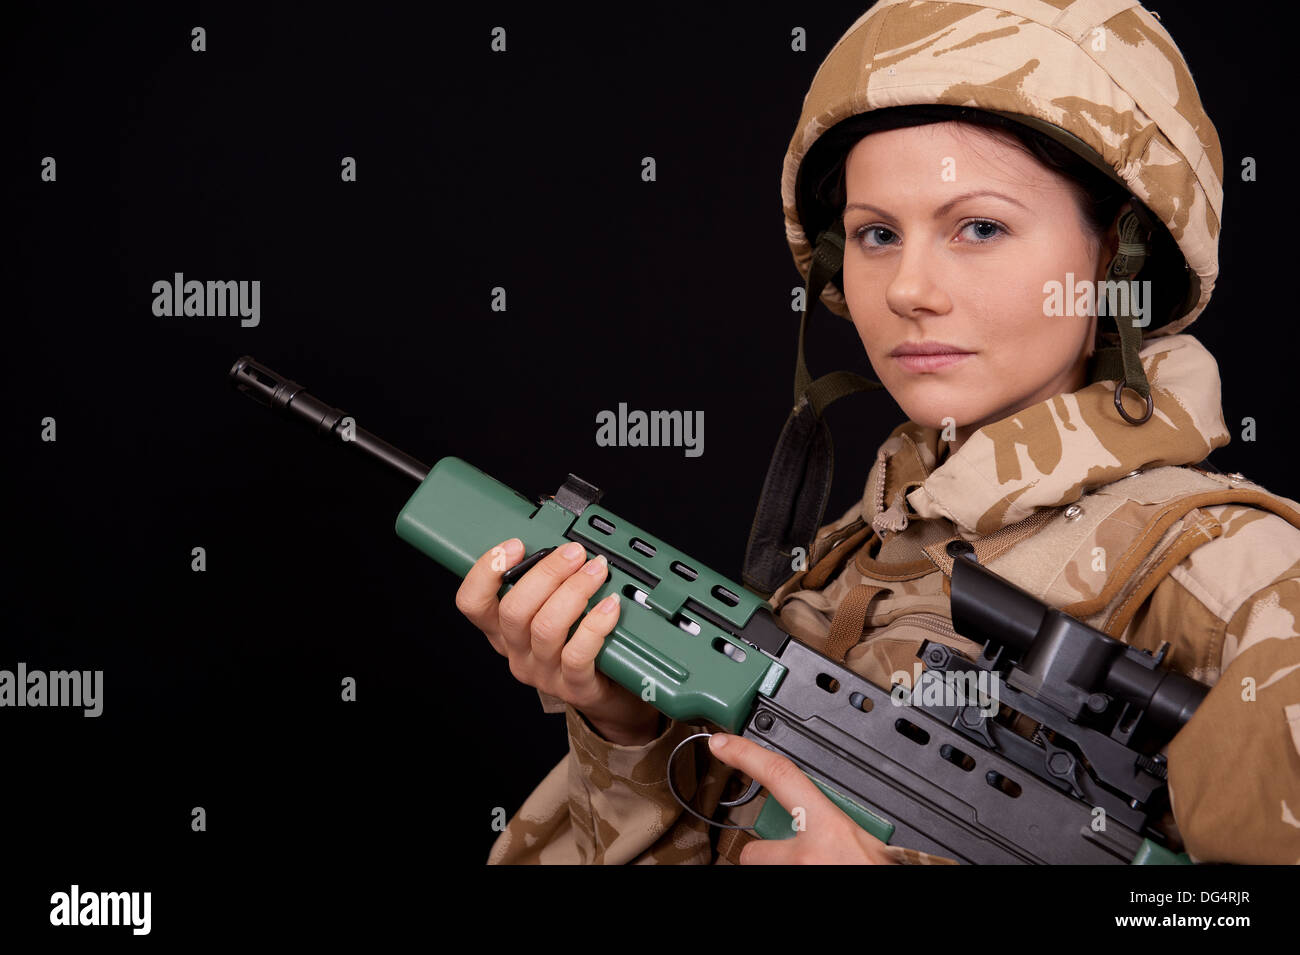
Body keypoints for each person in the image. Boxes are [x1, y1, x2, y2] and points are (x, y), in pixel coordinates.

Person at [458, 0, 1300, 864]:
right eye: (875, 234)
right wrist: (625, 720)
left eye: (979, 226)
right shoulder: (860, 554)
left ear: (1118, 258)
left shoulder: (1239, 581)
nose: (908, 287)